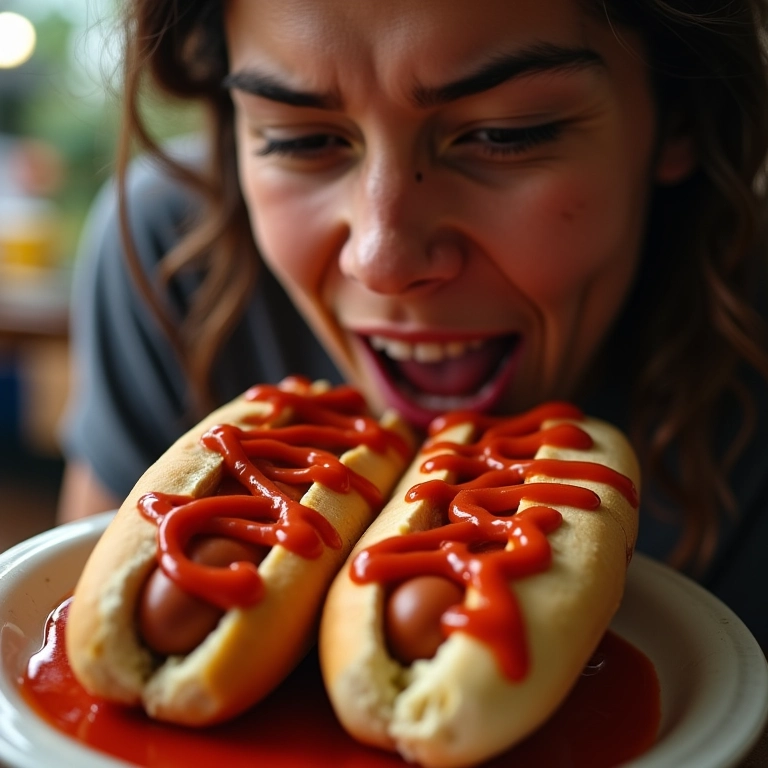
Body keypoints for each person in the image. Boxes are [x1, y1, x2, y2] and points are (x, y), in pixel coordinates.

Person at [57, 0, 768, 650]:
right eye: (300, 140)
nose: (383, 260)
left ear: (682, 119)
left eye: (503, 135)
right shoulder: (169, 246)